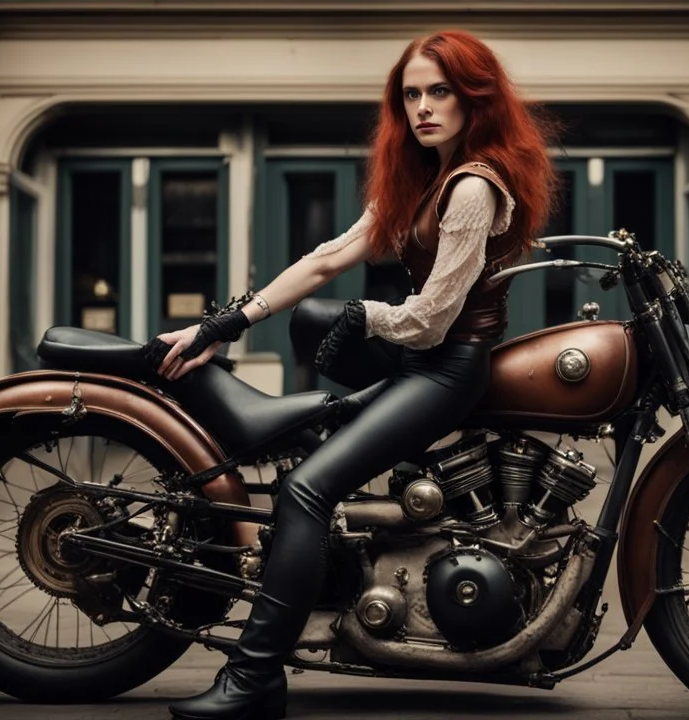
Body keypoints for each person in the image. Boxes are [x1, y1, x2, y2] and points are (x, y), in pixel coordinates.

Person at [147, 29, 557, 720]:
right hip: (418, 360)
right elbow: (326, 257)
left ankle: (254, 680)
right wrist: (222, 326)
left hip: (446, 369)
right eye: (412, 94)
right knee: (312, 344)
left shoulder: (473, 189)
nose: (424, 106)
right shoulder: (424, 177)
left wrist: (366, 314)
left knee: (307, 491)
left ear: (473, 98)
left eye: (440, 91)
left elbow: (430, 321)